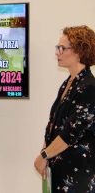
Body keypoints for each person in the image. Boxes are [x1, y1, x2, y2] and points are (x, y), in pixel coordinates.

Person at [34, 25, 95, 192]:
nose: (57, 52)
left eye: (62, 48)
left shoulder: (88, 87)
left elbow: (70, 132)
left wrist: (44, 155)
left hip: (78, 175)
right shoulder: (68, 83)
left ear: (79, 51)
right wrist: (45, 152)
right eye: (57, 47)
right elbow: (54, 124)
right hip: (60, 168)